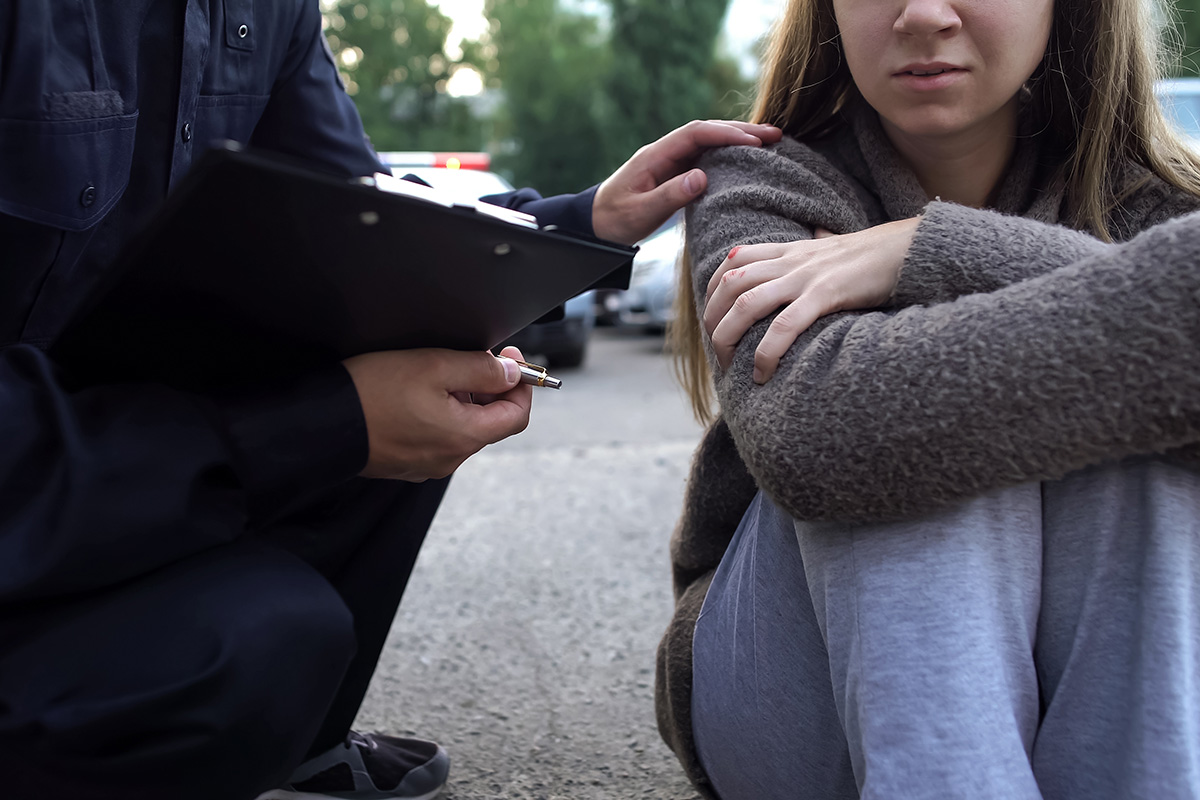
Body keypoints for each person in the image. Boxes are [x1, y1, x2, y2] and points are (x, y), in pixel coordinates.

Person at [0, 3, 782, 800]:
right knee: (261, 640)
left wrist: (584, 224)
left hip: (125, 476)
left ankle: (294, 744)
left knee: (422, 353)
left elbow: (362, 218)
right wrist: (319, 428)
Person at [654, 0, 1200, 797]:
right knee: (909, 434)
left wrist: (933, 249)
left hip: (1093, 697)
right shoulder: (761, 175)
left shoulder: (1155, 198)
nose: (922, 14)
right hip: (786, 702)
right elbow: (819, 440)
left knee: (1136, 435)